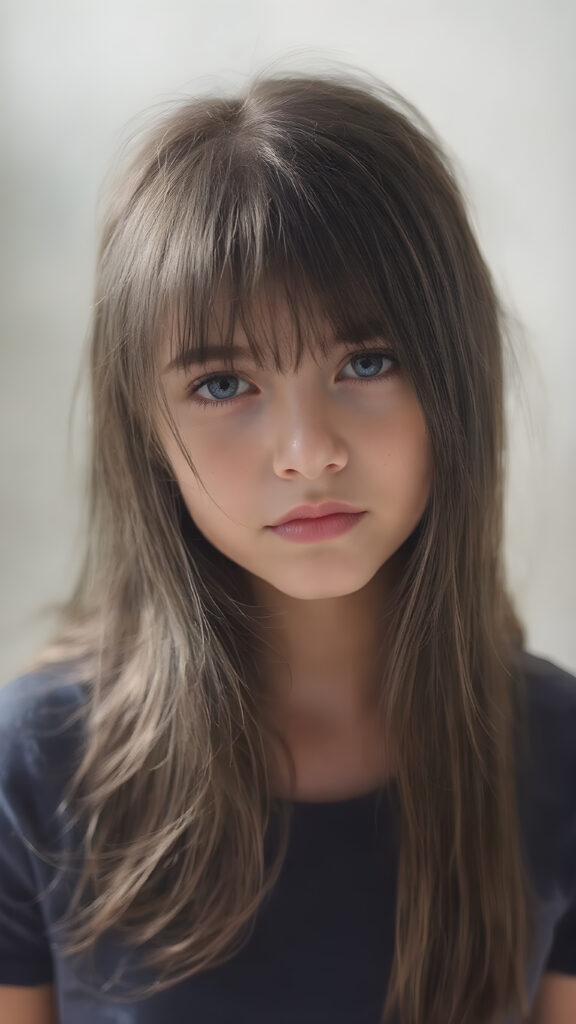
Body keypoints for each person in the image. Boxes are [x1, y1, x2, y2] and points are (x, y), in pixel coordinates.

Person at [0, 68, 574, 1024]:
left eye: (367, 362)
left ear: (457, 379)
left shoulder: (555, 756)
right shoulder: (39, 772)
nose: (310, 454)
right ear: (146, 428)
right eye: (224, 385)